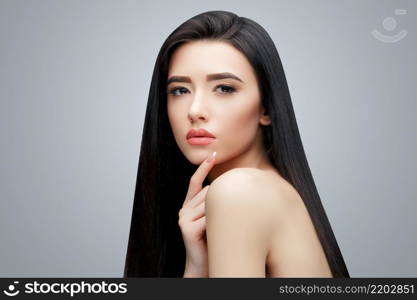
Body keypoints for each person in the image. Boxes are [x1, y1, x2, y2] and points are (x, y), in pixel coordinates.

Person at [124, 10, 350, 278]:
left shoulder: (239, 191)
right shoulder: (269, 189)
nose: (195, 110)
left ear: (266, 107)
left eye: (224, 88)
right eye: (180, 90)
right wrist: (196, 266)